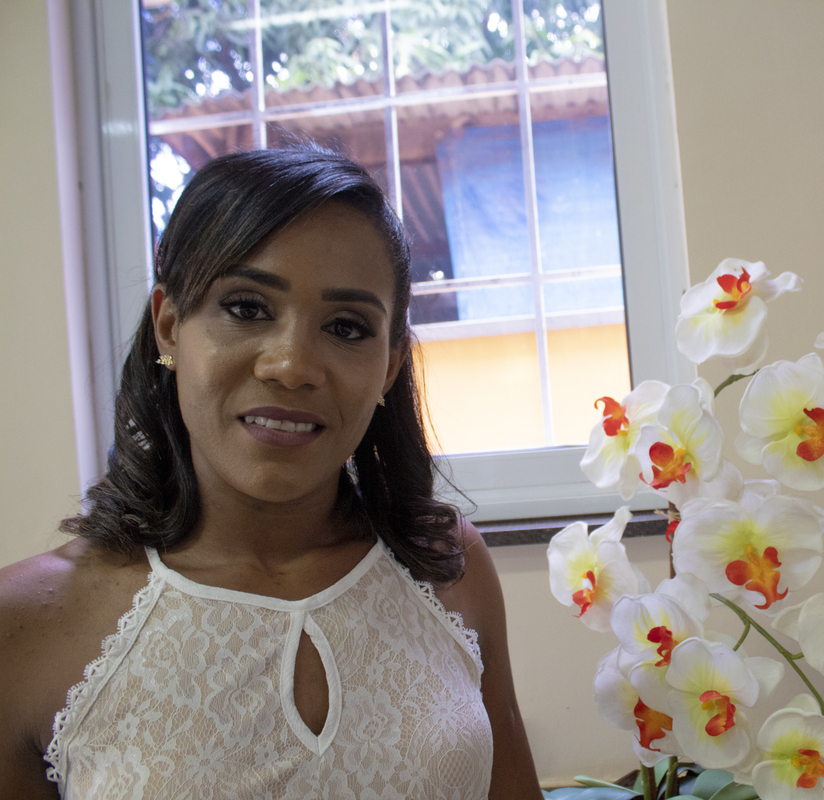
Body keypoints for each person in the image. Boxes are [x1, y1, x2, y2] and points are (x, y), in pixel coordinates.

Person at [0, 147, 542, 798]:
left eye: (346, 327)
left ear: (390, 367)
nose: (291, 366)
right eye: (247, 308)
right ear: (169, 325)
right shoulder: (25, 624)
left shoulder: (447, 566)